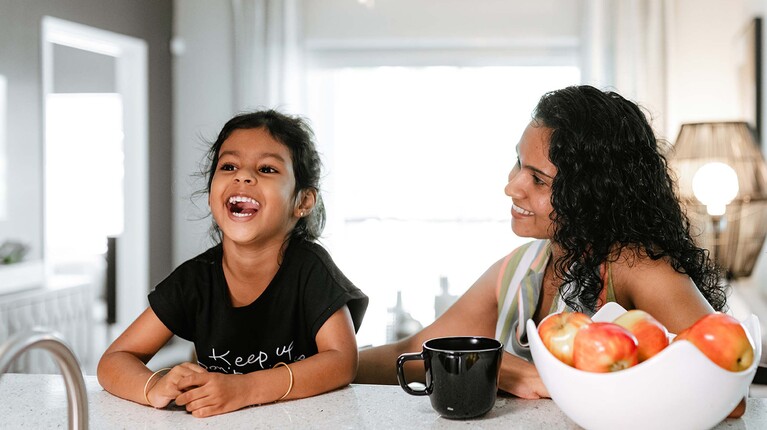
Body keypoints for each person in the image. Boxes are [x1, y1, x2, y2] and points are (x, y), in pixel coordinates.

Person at [355, 85, 730, 402]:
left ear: (592, 193)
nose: (511, 186)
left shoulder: (639, 268)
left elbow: (726, 387)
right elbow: (418, 351)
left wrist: (516, 373)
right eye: (518, 163)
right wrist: (320, 366)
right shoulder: (521, 267)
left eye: (538, 180)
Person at [98, 110, 368, 418]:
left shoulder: (309, 268)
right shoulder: (195, 280)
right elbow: (114, 359)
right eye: (229, 166)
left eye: (266, 168)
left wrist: (245, 389)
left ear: (303, 202)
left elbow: (343, 361)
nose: (243, 175)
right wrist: (152, 387)